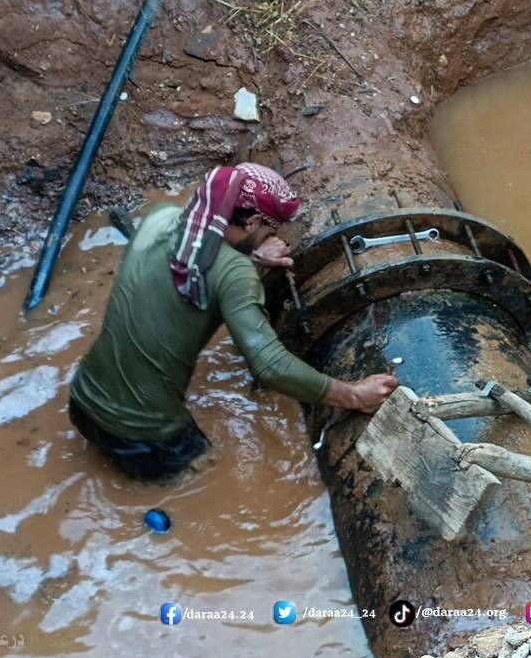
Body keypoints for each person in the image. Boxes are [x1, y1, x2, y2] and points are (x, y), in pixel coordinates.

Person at [69, 163, 398, 481]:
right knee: (211, 480)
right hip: (146, 437)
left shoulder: (160, 218)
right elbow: (269, 366)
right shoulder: (234, 272)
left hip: (82, 401)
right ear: (253, 221)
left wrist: (250, 255)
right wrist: (356, 395)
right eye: (271, 230)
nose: (274, 238)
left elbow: (191, 268)